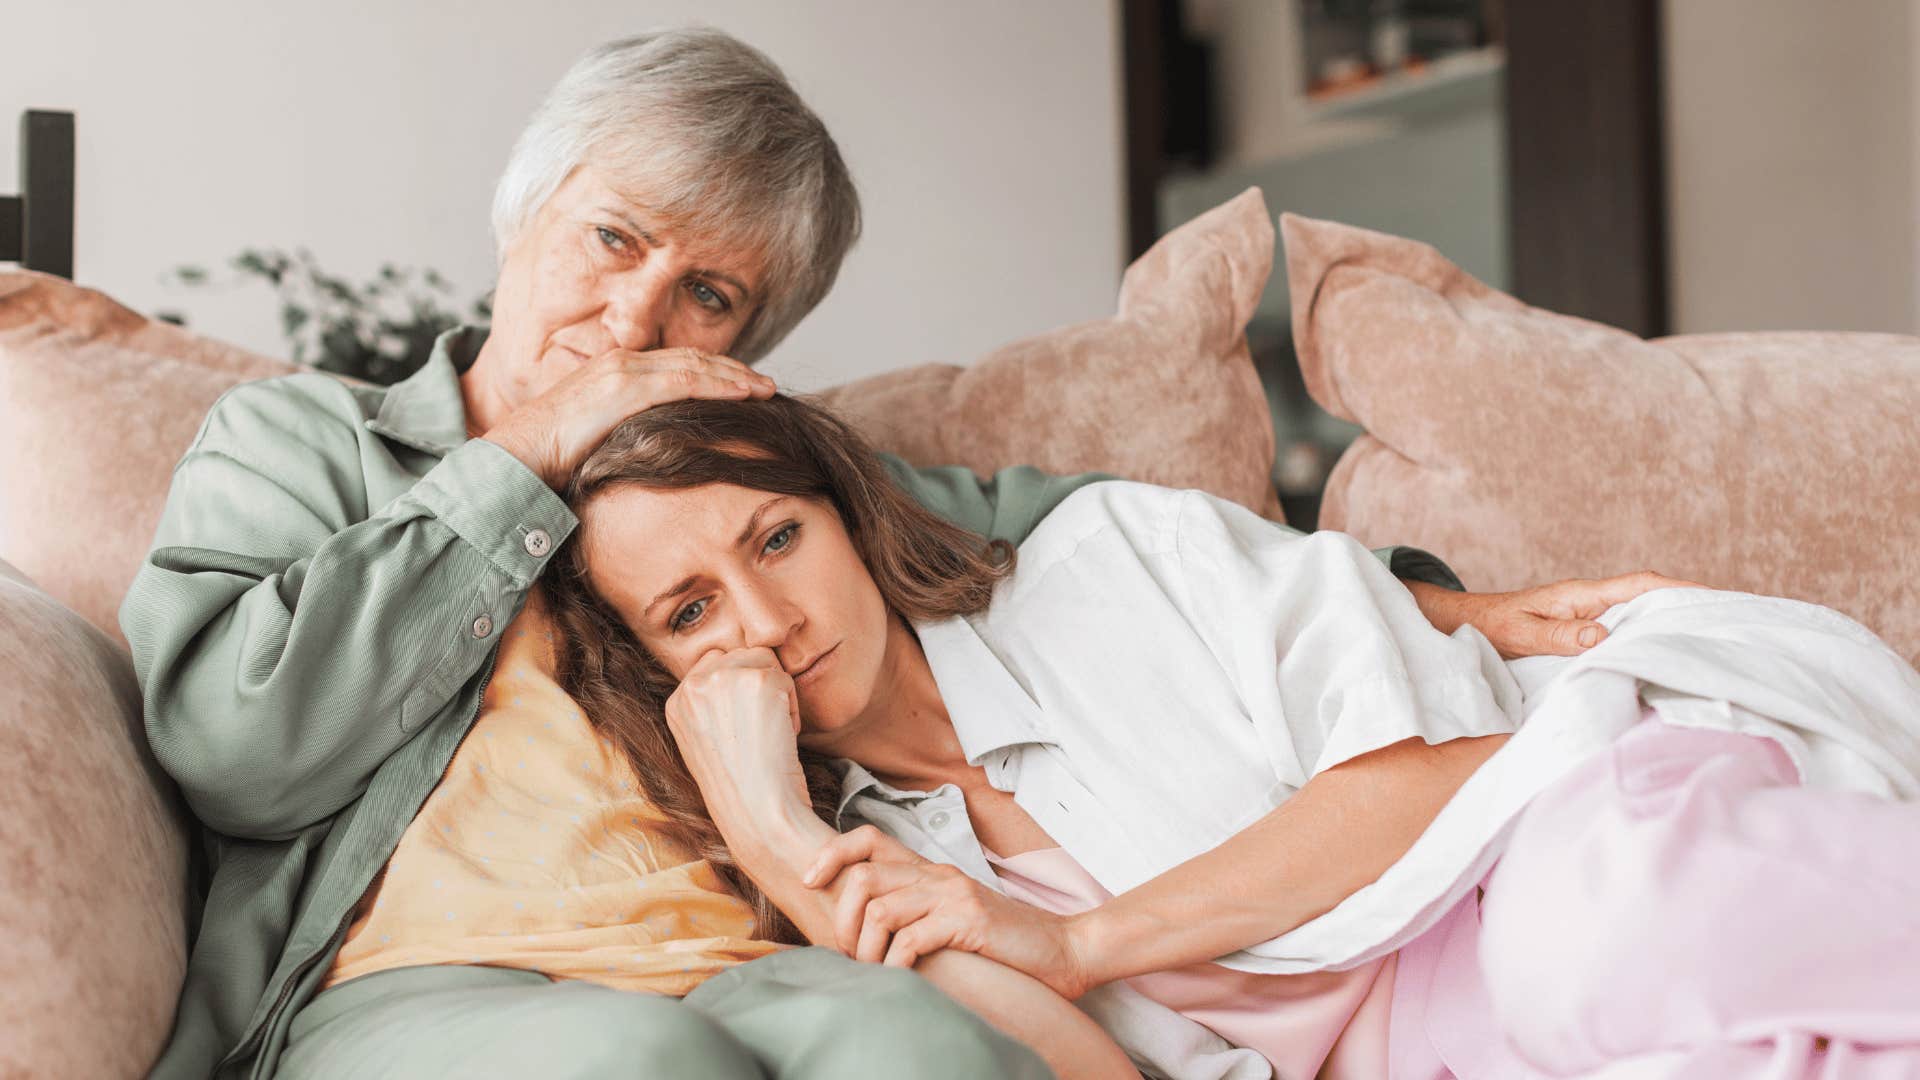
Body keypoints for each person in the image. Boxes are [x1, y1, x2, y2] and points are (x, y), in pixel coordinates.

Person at [123, 26, 1675, 1080]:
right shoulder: (306, 447)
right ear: (529, 213)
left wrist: (1441, 601)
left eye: (710, 297)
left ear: (754, 344)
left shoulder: (743, 465)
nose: (638, 320)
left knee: (921, 1048)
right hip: (398, 987)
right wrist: (521, 456)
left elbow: (1023, 520)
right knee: (636, 1067)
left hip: (737, 950)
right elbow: (231, 749)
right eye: (612, 240)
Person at [546, 393, 1920, 1079]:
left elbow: (1432, 773)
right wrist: (777, 836)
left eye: (777, 537)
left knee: (1592, 941)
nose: (771, 617)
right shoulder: (872, 877)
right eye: (691, 611)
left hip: (1557, 833)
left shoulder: (1103, 561)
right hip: (1447, 1053)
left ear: (843, 511)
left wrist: (1082, 940)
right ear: (658, 673)